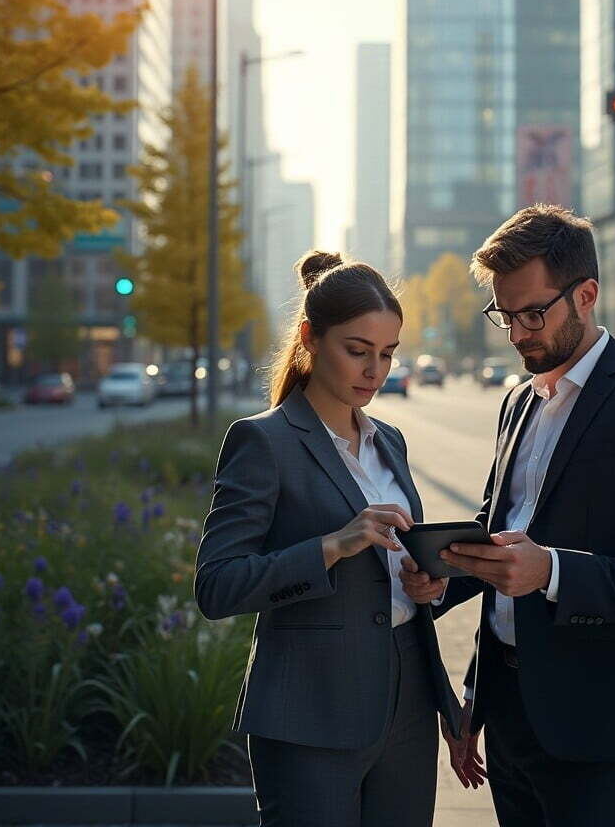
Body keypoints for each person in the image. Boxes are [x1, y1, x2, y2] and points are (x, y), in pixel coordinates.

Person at [401, 205, 615, 826]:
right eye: (504, 316)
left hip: (599, 724)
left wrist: (552, 572)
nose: (517, 333)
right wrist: (441, 582)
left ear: (587, 295)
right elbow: (498, 538)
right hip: (510, 711)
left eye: (532, 314)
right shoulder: (519, 400)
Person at [194, 250, 461, 827]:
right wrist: (333, 546)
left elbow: (395, 580)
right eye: (358, 351)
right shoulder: (263, 442)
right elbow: (217, 587)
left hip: (407, 698)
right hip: (308, 710)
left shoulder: (390, 441)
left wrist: (423, 583)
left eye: (387, 354)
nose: (375, 371)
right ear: (311, 339)